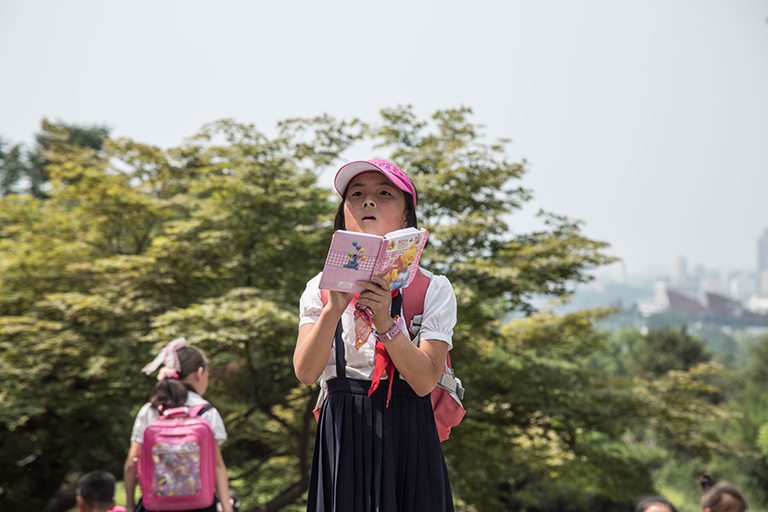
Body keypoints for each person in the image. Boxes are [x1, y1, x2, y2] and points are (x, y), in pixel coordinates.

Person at [295, 159, 457, 512]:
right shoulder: (317, 289)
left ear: (406, 217)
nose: (368, 201)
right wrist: (332, 311)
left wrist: (386, 321)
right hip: (343, 428)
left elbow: (425, 381)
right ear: (343, 216)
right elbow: (306, 373)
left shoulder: (433, 288)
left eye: (384, 193)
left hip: (408, 432)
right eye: (356, 194)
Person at [123, 338, 233, 512]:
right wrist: (227, 507)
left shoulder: (150, 410)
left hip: (156, 506)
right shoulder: (206, 412)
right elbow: (217, 466)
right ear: (199, 373)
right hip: (200, 505)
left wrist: (130, 506)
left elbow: (131, 463)